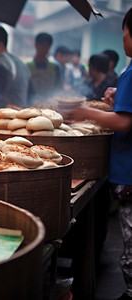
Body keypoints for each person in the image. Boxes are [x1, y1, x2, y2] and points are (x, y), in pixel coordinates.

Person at [70, 7, 132, 300]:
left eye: (124, 31)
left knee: (131, 242)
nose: (123, 38)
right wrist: (115, 95)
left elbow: (123, 121)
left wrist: (84, 111)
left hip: (129, 172)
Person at [0, 26, 31, 110]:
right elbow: (32, 94)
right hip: (21, 117)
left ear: (0, 45)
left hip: (6, 118)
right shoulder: (20, 63)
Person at [26, 32, 62, 103]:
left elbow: (58, 88)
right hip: (30, 104)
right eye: (42, 45)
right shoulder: (27, 66)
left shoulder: (55, 67)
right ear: (36, 45)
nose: (45, 49)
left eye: (47, 46)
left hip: (49, 104)